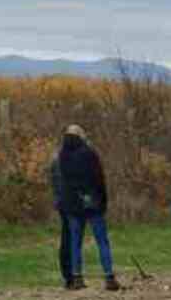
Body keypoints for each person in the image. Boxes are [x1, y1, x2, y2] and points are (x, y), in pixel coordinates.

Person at [50, 125, 119, 291]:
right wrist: (102, 201)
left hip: (72, 205)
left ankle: (76, 277)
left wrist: (62, 202)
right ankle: (109, 277)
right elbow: (99, 179)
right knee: (102, 240)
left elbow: (61, 182)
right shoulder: (89, 153)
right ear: (81, 136)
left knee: (75, 242)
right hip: (92, 204)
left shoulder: (61, 155)